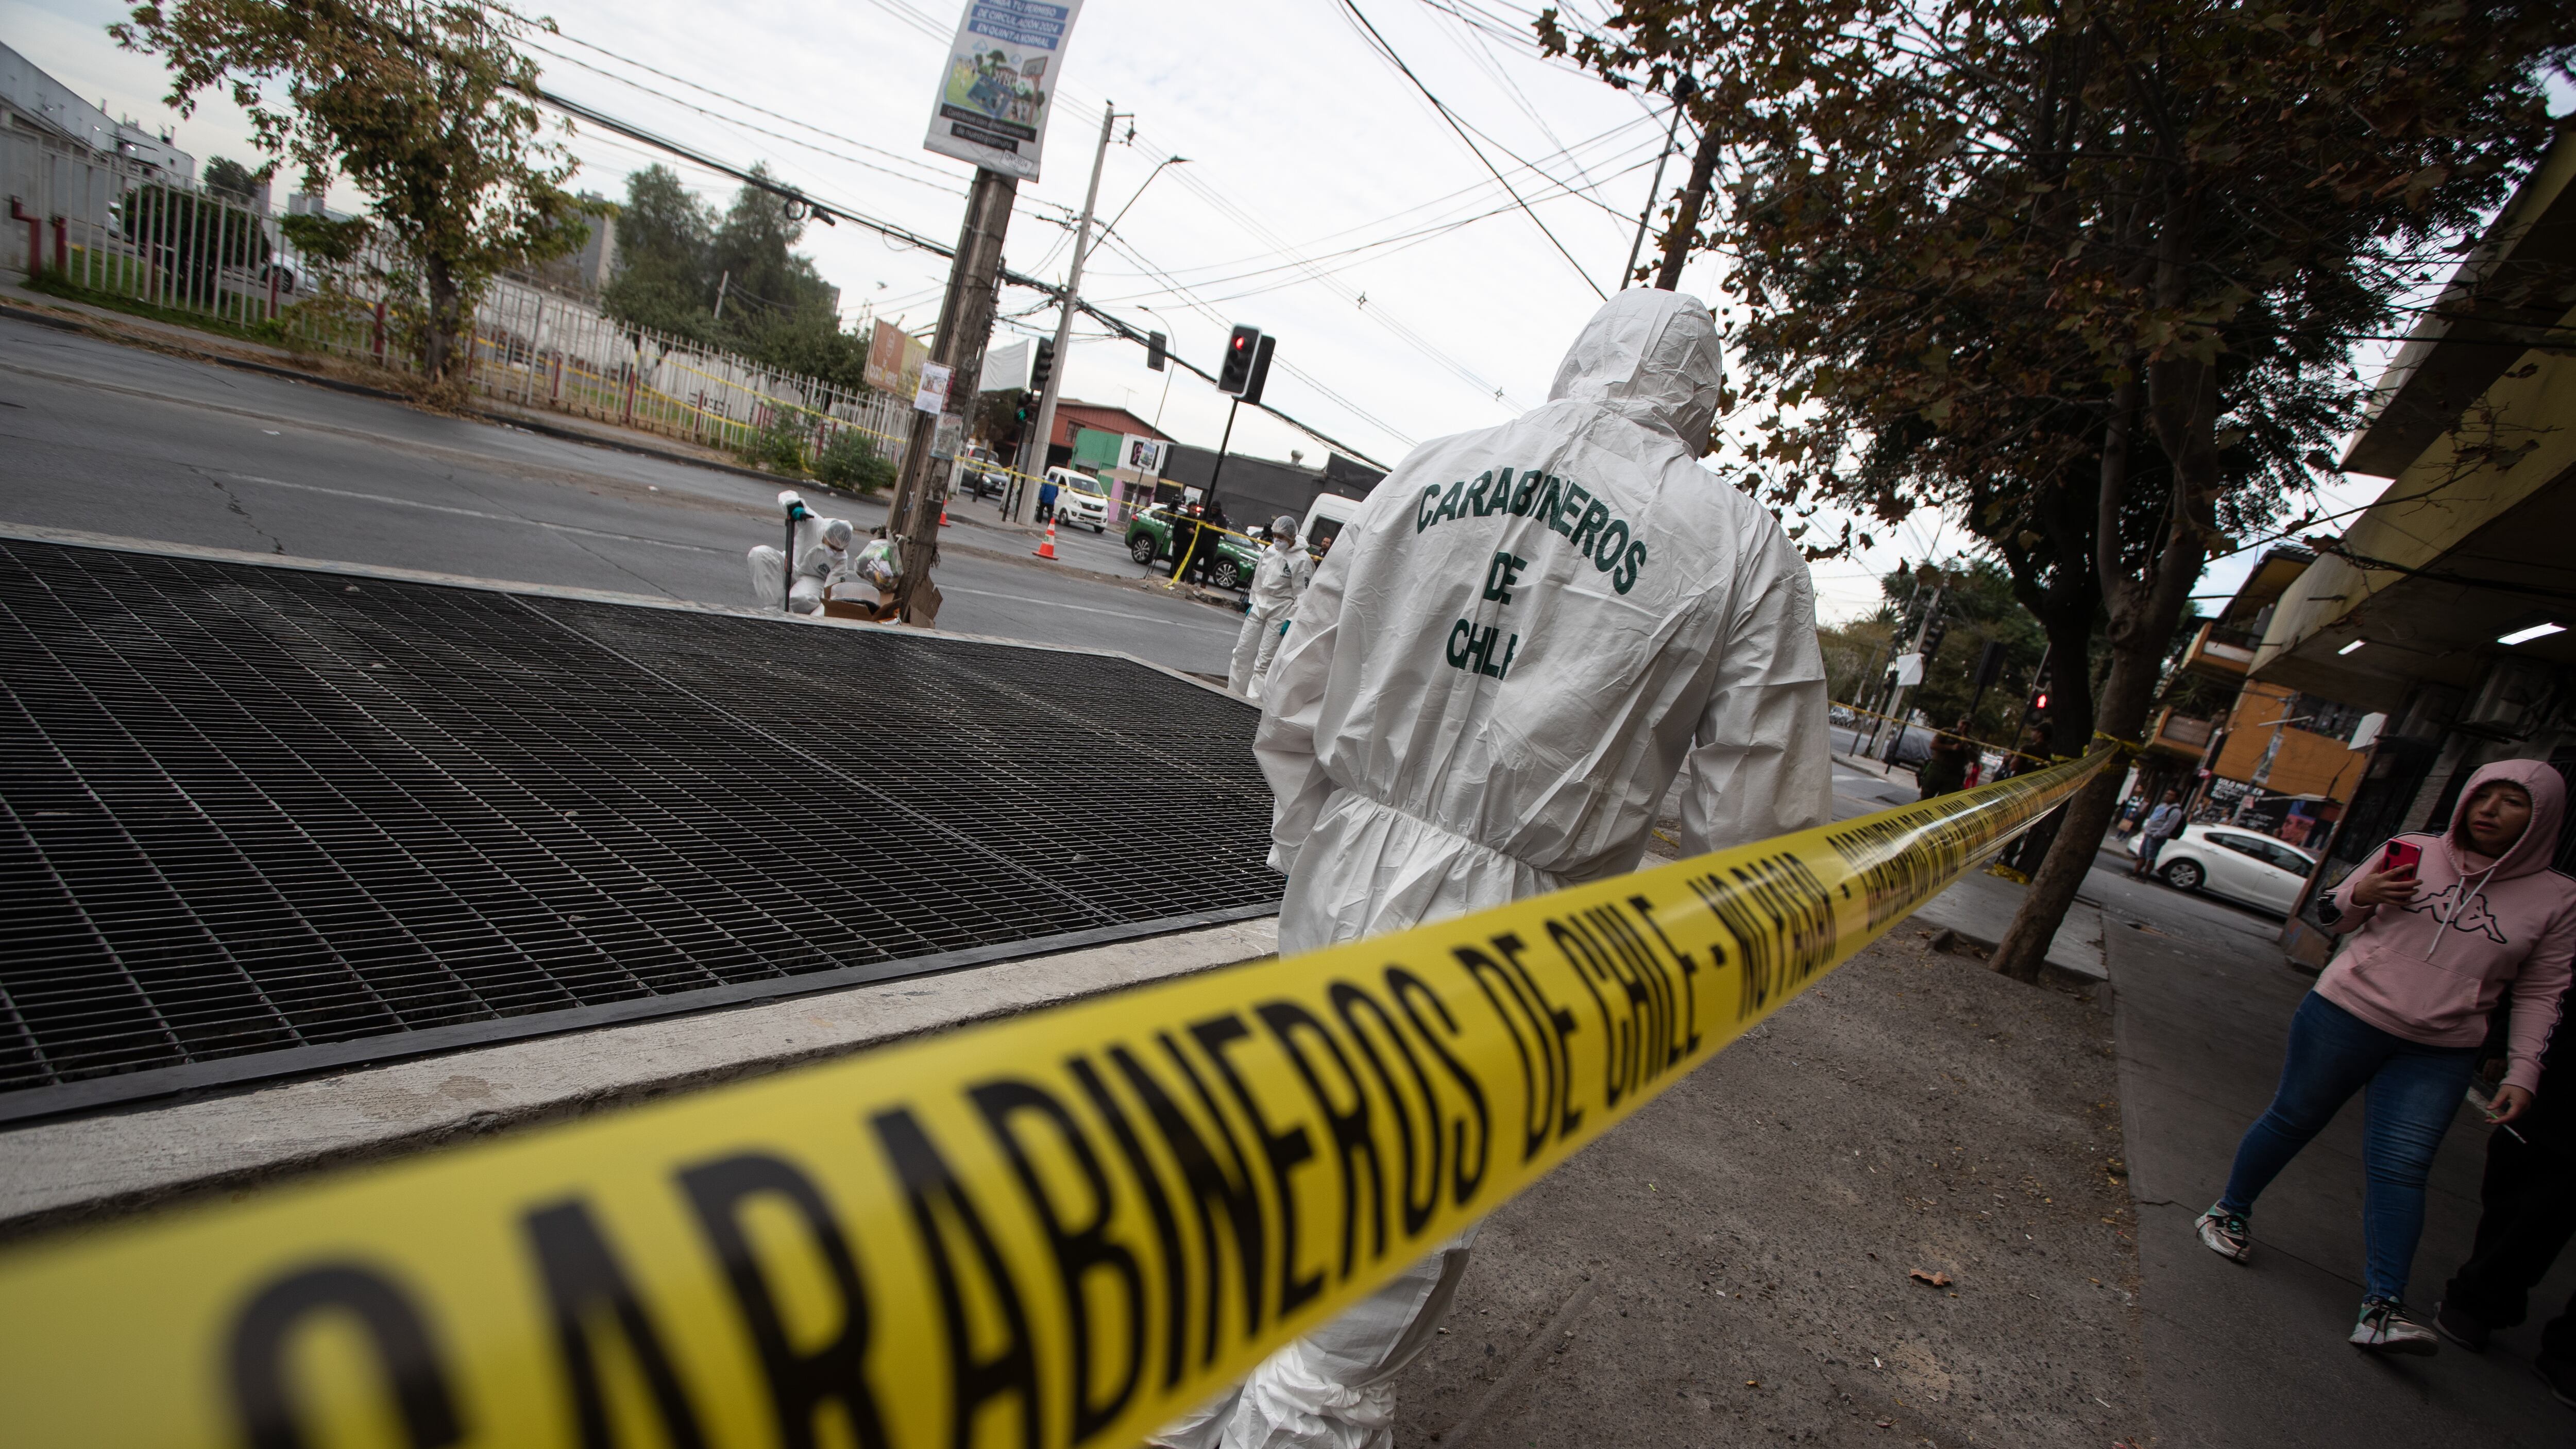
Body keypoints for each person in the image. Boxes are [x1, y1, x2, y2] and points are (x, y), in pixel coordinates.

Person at [1156, 289, 1833, 1449]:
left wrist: (1313, 834)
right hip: (1516, 921)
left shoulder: (1427, 471)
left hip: (1345, 863)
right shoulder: (1736, 543)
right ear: (1702, 399)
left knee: (1267, 1177)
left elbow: (1300, 684)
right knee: (1387, 1243)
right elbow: (1751, 824)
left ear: (1582, 355)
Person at [2193, 760, 2575, 1354]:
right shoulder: (2412, 849)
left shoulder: (2555, 898)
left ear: (2543, 816)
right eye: (2483, 794)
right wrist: (2357, 892)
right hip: (2343, 1014)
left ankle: (2381, 1308)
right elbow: (2331, 915)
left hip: (2441, 1048)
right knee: (2293, 1117)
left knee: (2401, 1165)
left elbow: (2541, 991)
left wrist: (2524, 1070)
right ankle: (2226, 1213)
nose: (2490, 809)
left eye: (2512, 801)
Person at [2435, 996, 2576, 1406]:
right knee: (2535, 1189)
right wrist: (2504, 1045)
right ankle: (2482, 1297)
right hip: (2563, 1078)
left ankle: (2568, 1349)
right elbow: (2547, 977)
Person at [1226, 515, 1313, 700]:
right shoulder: (1270, 552)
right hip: (1260, 606)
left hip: (1280, 611)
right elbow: (1258, 579)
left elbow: (1302, 594)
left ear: (1292, 537)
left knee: (1264, 663)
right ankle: (1233, 694)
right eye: (1275, 536)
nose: (1277, 541)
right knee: (1242, 653)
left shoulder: (1302, 560)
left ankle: (1252, 703)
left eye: (1282, 538)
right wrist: (1252, 601)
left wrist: (1291, 619)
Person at [1916, 717, 1974, 799]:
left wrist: (1967, 747)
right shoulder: (1947, 732)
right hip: (1937, 770)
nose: (1965, 727)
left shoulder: (1972, 741)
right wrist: (1951, 747)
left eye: (1968, 725)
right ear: (1959, 723)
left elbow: (1975, 759)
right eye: (1963, 724)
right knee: (1925, 798)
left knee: (1944, 803)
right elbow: (1933, 745)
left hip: (1954, 775)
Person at [2134, 788, 2183, 878]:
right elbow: (2153, 818)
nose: (2167, 796)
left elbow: (2169, 826)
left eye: (2171, 795)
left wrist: (2157, 835)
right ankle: (2135, 873)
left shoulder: (2176, 811)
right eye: (2167, 794)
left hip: (2156, 837)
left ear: (2177, 798)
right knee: (2142, 855)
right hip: (2148, 833)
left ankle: (2145, 876)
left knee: (2151, 857)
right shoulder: (2161, 806)